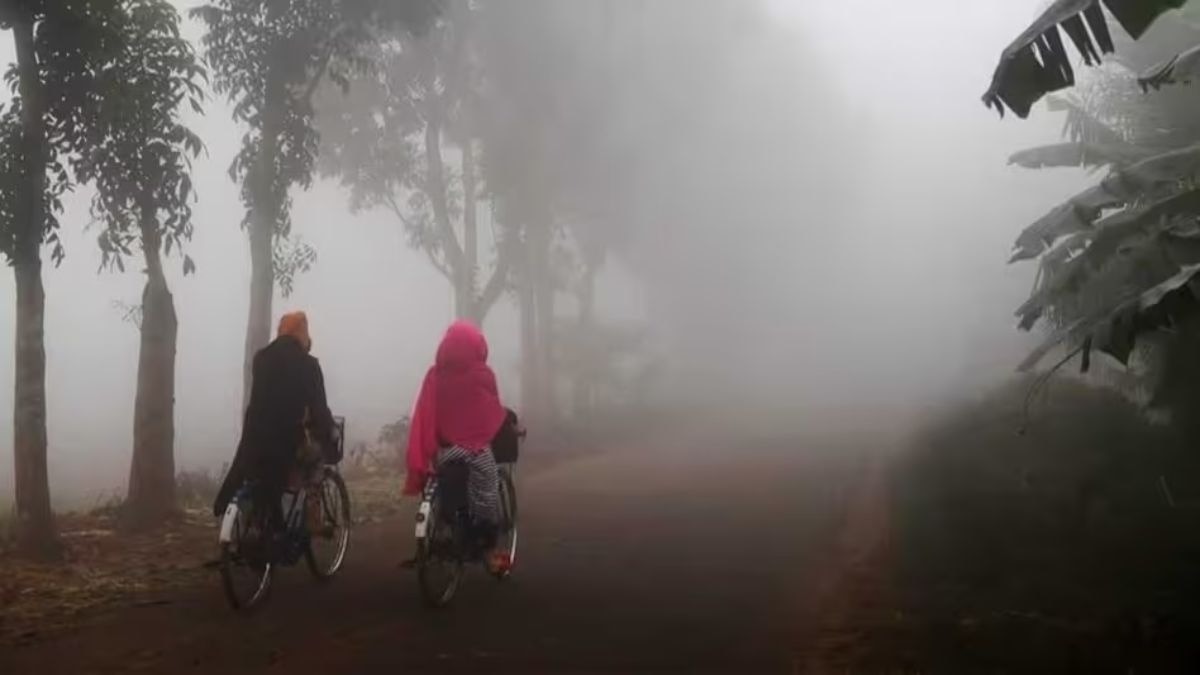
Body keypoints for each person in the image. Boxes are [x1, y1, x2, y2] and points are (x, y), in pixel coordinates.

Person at [214, 311, 337, 539]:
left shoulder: (261, 358)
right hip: (287, 441)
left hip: (254, 440)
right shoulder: (308, 364)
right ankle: (313, 518)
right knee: (316, 460)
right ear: (302, 332)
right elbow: (319, 408)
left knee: (262, 477)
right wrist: (329, 433)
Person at [405, 320, 510, 572]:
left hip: (444, 451)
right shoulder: (482, 374)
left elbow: (427, 413)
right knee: (487, 484)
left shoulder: (435, 375)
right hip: (474, 449)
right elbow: (491, 411)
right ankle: (486, 539)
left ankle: (446, 523)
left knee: (448, 481)